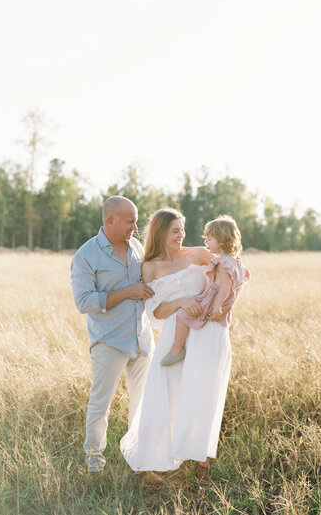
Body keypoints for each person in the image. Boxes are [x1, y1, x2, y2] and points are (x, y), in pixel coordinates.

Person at [120, 208, 250, 476]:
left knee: (201, 392)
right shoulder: (150, 267)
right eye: (175, 231)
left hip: (206, 334)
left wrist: (226, 307)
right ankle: (149, 457)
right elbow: (153, 312)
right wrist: (180, 302)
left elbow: (231, 274)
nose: (182, 235)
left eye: (183, 229)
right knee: (162, 392)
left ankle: (199, 455)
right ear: (160, 233)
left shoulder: (200, 255)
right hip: (173, 335)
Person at [71, 196, 155, 474]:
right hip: (109, 342)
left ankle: (138, 460)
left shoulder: (137, 247)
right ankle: (94, 465)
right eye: (130, 221)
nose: (136, 225)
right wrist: (127, 292)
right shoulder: (86, 255)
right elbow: (84, 302)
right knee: (100, 405)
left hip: (142, 340)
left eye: (136, 219)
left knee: (142, 404)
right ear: (110, 221)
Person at [160, 215, 249, 367]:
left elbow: (225, 286)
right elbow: (241, 282)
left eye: (210, 239)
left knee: (182, 314)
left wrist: (217, 306)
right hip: (222, 300)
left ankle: (177, 349)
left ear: (221, 241)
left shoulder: (222, 263)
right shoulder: (236, 262)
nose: (206, 242)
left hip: (213, 299)